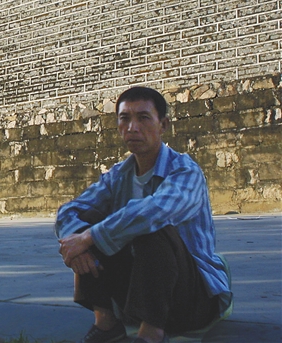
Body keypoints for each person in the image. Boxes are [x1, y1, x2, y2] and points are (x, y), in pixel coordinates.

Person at [55, 87, 232, 343]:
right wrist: (77, 240)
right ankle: (106, 322)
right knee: (86, 222)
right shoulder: (118, 175)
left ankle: (151, 334)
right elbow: (69, 211)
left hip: (192, 297)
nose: (133, 127)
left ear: (163, 125)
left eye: (143, 118)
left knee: (152, 227)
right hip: (139, 292)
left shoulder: (185, 171)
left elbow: (156, 211)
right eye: (125, 119)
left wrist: (89, 237)